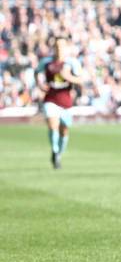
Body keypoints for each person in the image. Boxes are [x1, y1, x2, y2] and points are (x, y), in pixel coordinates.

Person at [36, 37, 83, 169]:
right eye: (56, 46)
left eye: (61, 46)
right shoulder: (46, 62)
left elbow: (81, 80)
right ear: (53, 47)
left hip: (66, 101)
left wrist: (69, 77)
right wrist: (39, 84)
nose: (59, 48)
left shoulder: (72, 63)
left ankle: (58, 155)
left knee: (64, 131)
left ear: (66, 47)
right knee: (53, 125)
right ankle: (55, 151)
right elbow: (37, 72)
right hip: (50, 99)